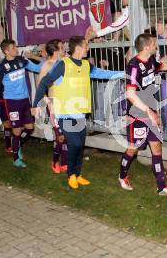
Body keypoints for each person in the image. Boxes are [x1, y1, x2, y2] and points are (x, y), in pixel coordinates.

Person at [32, 36, 125, 189]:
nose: (88, 48)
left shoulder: (87, 65)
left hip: (80, 113)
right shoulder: (63, 64)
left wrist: (122, 73)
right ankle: (71, 175)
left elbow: (102, 73)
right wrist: (36, 104)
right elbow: (44, 82)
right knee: (74, 144)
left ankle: (78, 173)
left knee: (80, 145)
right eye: (86, 45)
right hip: (65, 113)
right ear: (79, 48)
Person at [119, 33, 167, 194]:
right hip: (137, 114)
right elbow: (130, 94)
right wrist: (149, 112)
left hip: (150, 111)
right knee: (133, 149)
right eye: (155, 43)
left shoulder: (150, 61)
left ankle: (161, 186)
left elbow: (162, 66)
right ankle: (122, 176)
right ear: (147, 47)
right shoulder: (134, 65)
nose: (157, 46)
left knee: (156, 147)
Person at [0, 39, 41, 168]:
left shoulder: (21, 60)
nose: (16, 50)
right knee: (17, 130)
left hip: (25, 100)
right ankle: (16, 158)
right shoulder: (1, 66)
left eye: (16, 48)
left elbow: (37, 68)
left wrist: (49, 61)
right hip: (12, 102)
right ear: (6, 51)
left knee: (29, 128)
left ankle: (16, 146)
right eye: (13, 48)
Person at [36, 39, 68, 174]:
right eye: (61, 48)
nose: (64, 49)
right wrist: (47, 101)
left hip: (68, 103)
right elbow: (40, 85)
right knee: (60, 136)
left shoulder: (66, 62)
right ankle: (55, 160)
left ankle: (65, 162)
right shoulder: (47, 65)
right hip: (54, 104)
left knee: (67, 135)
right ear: (55, 50)